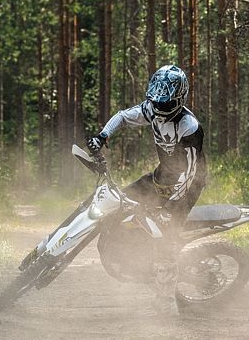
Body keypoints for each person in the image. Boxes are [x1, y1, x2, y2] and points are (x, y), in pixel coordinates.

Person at [87, 64, 207, 300]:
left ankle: (166, 301)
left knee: (166, 237)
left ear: (179, 98)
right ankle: (131, 254)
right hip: (162, 176)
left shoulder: (190, 127)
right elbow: (123, 116)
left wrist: (170, 208)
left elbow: (191, 173)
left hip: (188, 186)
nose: (160, 107)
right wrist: (102, 136)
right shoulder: (151, 109)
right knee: (118, 202)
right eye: (157, 101)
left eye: (166, 103)